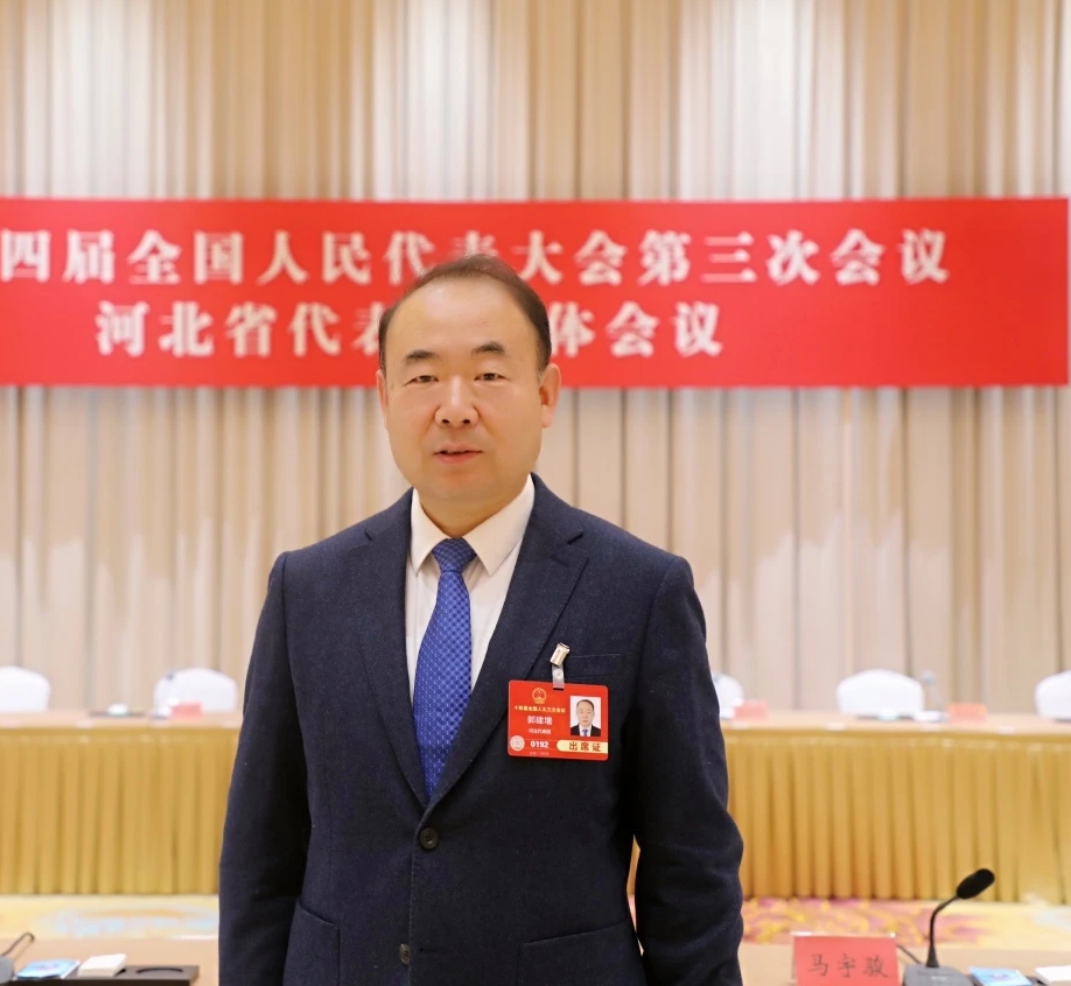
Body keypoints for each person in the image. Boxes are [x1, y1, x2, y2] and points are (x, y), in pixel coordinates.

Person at [219, 255, 744, 986]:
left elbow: (691, 865)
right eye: (423, 377)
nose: (455, 407)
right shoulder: (308, 590)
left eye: (489, 374)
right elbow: (261, 853)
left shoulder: (639, 592)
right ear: (384, 397)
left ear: (546, 393)